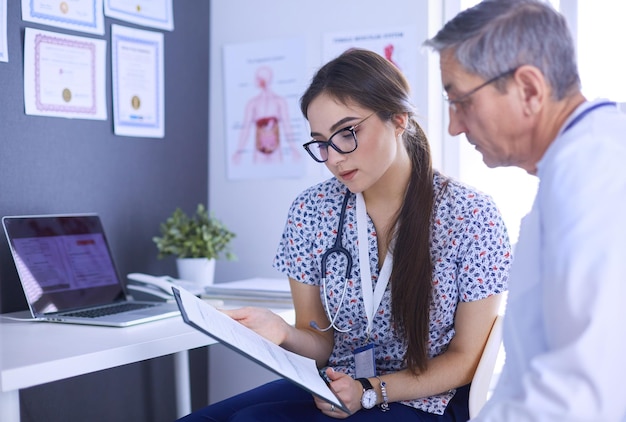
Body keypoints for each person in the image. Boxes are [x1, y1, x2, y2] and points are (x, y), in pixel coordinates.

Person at [178, 48, 511, 421]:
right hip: (335, 387)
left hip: (426, 399)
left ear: (398, 119)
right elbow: (319, 341)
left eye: (347, 133)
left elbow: (467, 358)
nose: (334, 157)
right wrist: (283, 332)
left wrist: (371, 390)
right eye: (322, 142)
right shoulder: (311, 211)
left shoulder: (471, 216)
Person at [423, 1, 626, 420]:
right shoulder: (581, 161)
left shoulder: (593, 172)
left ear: (529, 90)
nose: (453, 127)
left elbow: (582, 389)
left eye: (461, 102)